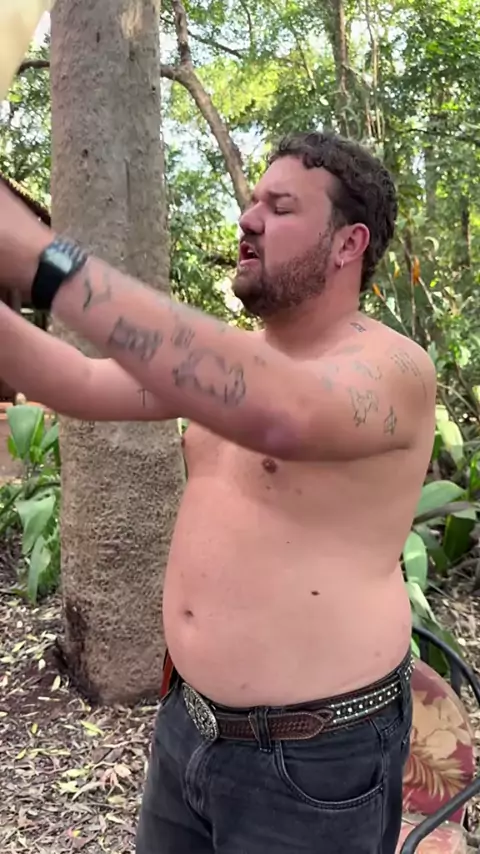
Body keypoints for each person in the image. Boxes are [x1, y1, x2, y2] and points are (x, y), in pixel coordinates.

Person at [0, 131, 436, 853]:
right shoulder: (234, 363)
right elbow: (78, 381)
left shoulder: (393, 369)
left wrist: (45, 261)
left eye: (280, 207)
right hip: (189, 729)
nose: (248, 218)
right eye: (253, 201)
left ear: (348, 243)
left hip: (314, 762)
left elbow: (284, 412)